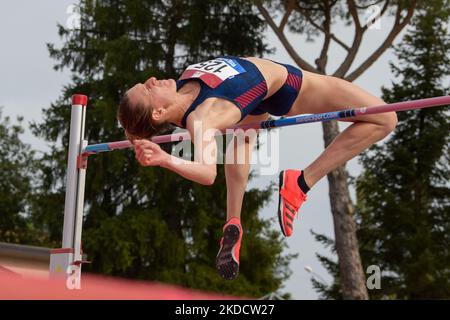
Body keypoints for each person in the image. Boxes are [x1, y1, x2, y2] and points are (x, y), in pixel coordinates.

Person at [117, 56, 397, 280]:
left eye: (144, 83)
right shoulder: (203, 118)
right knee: (385, 118)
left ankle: (233, 220)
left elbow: (139, 126)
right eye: (146, 89)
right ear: (158, 113)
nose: (151, 80)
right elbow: (207, 173)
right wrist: (165, 159)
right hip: (286, 86)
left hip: (253, 101)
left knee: (243, 135)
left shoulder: (186, 83)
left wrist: (136, 138)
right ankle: (300, 183)